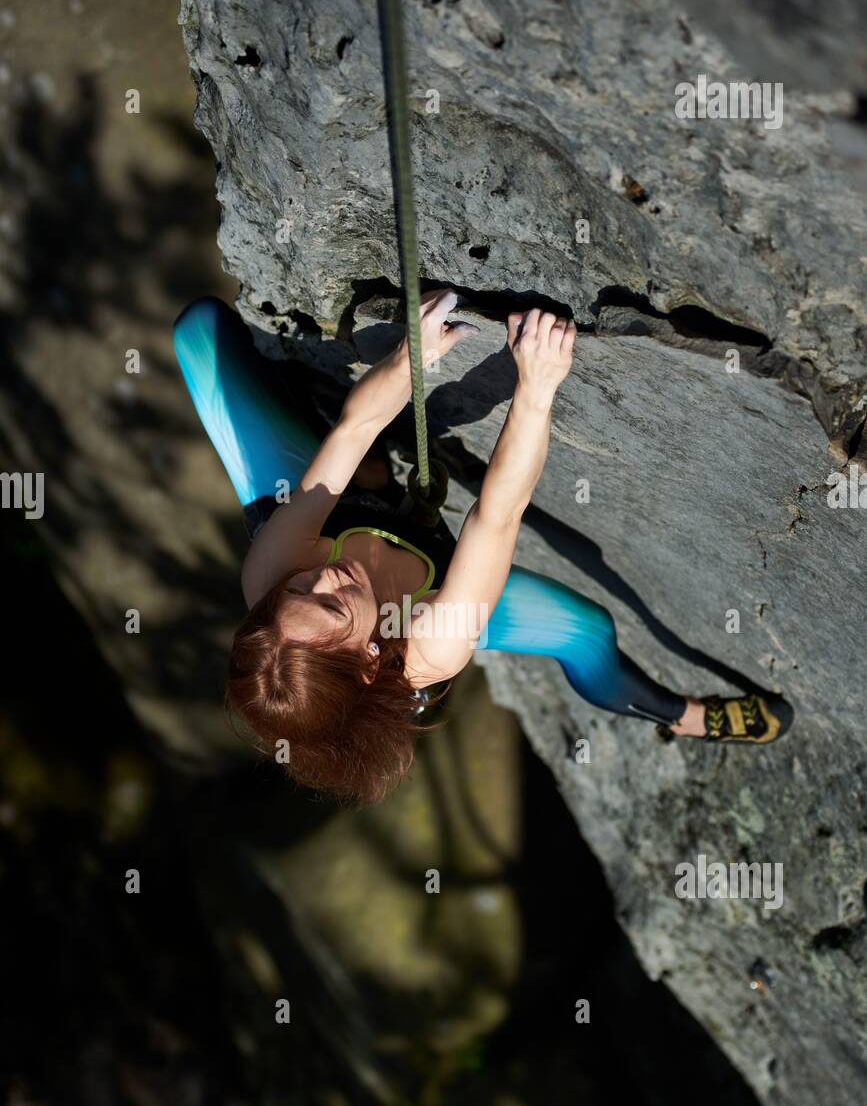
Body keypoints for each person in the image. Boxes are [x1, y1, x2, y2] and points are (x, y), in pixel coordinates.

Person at [174, 289, 792, 807]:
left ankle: (344, 443)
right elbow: (494, 517)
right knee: (586, 632)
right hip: (436, 571)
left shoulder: (273, 574)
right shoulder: (431, 646)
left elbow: (355, 429)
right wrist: (537, 385)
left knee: (198, 335)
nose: (324, 576)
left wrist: (403, 365)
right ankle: (683, 716)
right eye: (330, 605)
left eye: (297, 590)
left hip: (339, 509)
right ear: (368, 659)